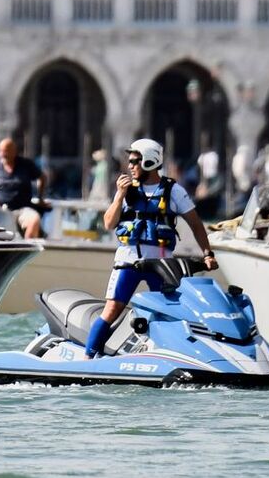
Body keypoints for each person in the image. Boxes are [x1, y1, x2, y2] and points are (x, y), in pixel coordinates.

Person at [85, 138, 219, 357]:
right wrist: (119, 196)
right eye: (129, 161)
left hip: (161, 262)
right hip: (129, 259)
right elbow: (109, 223)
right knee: (112, 309)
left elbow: (196, 224)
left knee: (171, 311)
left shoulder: (174, 191)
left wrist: (207, 254)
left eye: (134, 161)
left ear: (149, 161)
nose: (130, 166)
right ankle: (89, 357)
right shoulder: (126, 189)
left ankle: (178, 354)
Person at [0, 138, 46, 238]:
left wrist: (40, 197)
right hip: (3, 211)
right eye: (1, 151)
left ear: (14, 151)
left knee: (34, 220)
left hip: (24, 208)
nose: (3, 154)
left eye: (6, 151)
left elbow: (42, 177)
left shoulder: (26, 165)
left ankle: (27, 248)